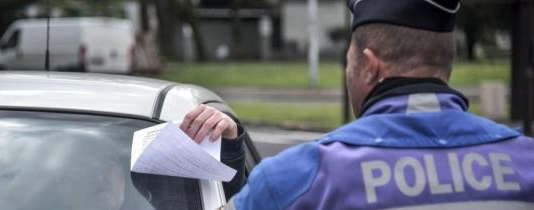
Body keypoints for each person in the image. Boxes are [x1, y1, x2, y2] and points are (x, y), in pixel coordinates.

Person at [180, 0, 534, 209]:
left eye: (348, 60)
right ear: (446, 64)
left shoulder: (300, 178)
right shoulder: (525, 161)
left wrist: (225, 158)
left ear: (369, 65)